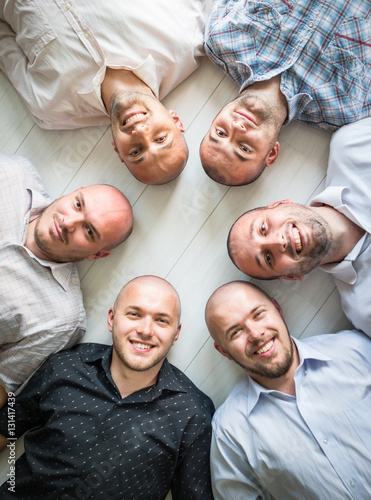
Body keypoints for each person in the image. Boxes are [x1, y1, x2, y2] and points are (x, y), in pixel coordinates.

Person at [0, 275, 215, 499]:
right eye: (134, 314)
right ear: (112, 319)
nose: (146, 330)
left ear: (176, 333)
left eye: (161, 320)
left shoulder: (193, 413)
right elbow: (6, 427)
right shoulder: (65, 365)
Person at [0, 0, 208, 185]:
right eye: (161, 138)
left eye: (135, 152)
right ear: (176, 121)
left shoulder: (50, 107)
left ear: (117, 150)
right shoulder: (183, 38)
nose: (140, 132)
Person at [205, 280, 371, 500]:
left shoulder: (355, 351)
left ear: (278, 309)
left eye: (258, 314)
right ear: (224, 351)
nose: (255, 334)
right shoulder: (229, 431)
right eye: (236, 332)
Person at [0, 153, 133, 406]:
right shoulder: (12, 174)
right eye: (78, 204)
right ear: (75, 191)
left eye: (89, 230)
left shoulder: (61, 319)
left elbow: (3, 384)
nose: (68, 223)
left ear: (97, 254)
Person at [200, 0, 371, 186]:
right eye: (244, 148)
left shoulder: (222, 36)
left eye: (221, 132)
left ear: (216, 118)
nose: (236, 128)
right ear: (271, 152)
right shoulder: (347, 110)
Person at [227, 117, 371, 337]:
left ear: (281, 203)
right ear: (292, 277)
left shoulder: (352, 148)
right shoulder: (364, 309)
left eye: (264, 228)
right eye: (268, 258)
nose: (278, 242)